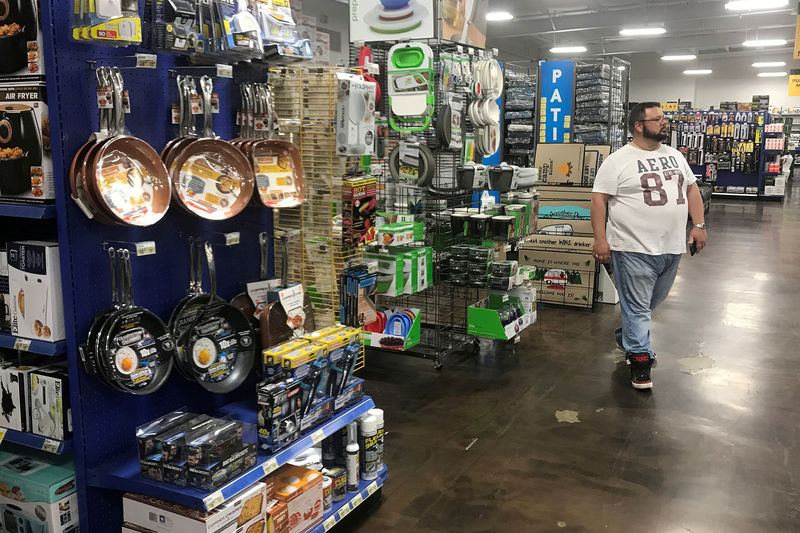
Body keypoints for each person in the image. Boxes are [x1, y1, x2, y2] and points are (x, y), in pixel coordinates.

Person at [590, 102, 707, 390]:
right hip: (632, 248)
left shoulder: (675, 155)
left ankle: (627, 337)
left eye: (664, 118)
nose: (664, 123)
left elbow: (691, 189)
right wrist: (600, 238)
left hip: (671, 247)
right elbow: (598, 199)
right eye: (657, 119)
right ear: (638, 126)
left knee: (650, 302)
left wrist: (699, 225)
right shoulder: (618, 160)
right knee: (639, 307)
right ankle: (640, 361)